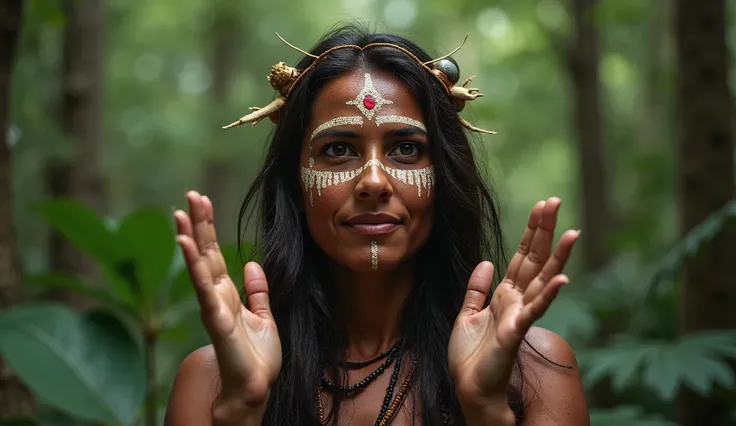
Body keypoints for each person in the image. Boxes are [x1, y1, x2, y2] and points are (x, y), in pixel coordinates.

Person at [164, 25, 588, 426]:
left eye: (406, 149)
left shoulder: (535, 373)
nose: (372, 181)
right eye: (338, 149)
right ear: (295, 184)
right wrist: (240, 410)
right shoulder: (211, 383)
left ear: (444, 178)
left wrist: (486, 410)